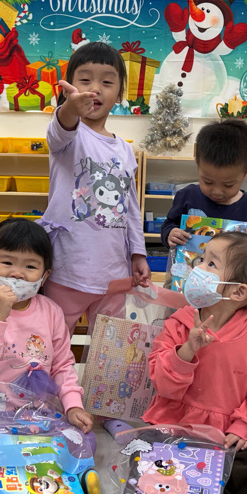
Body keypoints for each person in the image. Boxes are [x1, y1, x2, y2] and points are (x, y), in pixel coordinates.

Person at [123, 232, 247, 494]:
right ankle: (201, 485)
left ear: (238, 292)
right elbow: (162, 383)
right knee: (143, 448)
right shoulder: (179, 322)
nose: (197, 267)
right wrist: (187, 350)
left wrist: (245, 426)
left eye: (211, 263)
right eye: (201, 258)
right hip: (178, 426)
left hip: (227, 435)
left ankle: (193, 487)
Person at [0, 218, 98, 494]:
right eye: (7, 263)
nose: (17, 273)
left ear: (44, 276)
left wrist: (73, 406)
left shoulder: (51, 312)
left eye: (30, 267)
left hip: (39, 416)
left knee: (84, 437)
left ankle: (76, 473)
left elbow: (63, 365)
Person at [40, 42, 150, 334]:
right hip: (66, 270)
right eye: (85, 80)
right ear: (69, 88)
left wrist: (138, 254)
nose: (95, 89)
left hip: (114, 274)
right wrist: (69, 109)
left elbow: (131, 208)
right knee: (52, 343)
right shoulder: (68, 135)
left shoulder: (125, 150)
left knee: (110, 350)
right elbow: (61, 126)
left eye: (107, 82)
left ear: (120, 93)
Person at [160, 118, 247, 250]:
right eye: (208, 182)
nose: (217, 192)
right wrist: (170, 234)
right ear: (198, 165)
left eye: (228, 185)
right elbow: (169, 224)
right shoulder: (187, 197)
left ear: (246, 172)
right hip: (192, 263)